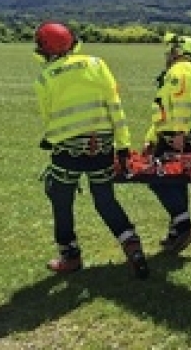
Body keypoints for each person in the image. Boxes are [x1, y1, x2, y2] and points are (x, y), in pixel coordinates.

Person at [33, 21, 149, 279]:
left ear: (46, 49)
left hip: (68, 151)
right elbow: (115, 107)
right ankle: (133, 247)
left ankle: (70, 255)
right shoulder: (97, 64)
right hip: (103, 147)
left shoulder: (44, 77)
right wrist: (123, 146)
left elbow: (49, 118)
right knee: (105, 200)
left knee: (60, 198)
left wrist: (50, 140)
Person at [143, 33, 191, 254]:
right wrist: (152, 137)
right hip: (190, 133)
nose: (168, 54)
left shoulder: (179, 71)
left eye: (172, 49)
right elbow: (164, 111)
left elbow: (179, 103)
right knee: (176, 180)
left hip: (180, 135)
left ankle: (184, 226)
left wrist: (179, 133)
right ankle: (176, 231)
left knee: (157, 177)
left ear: (180, 51)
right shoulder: (189, 71)